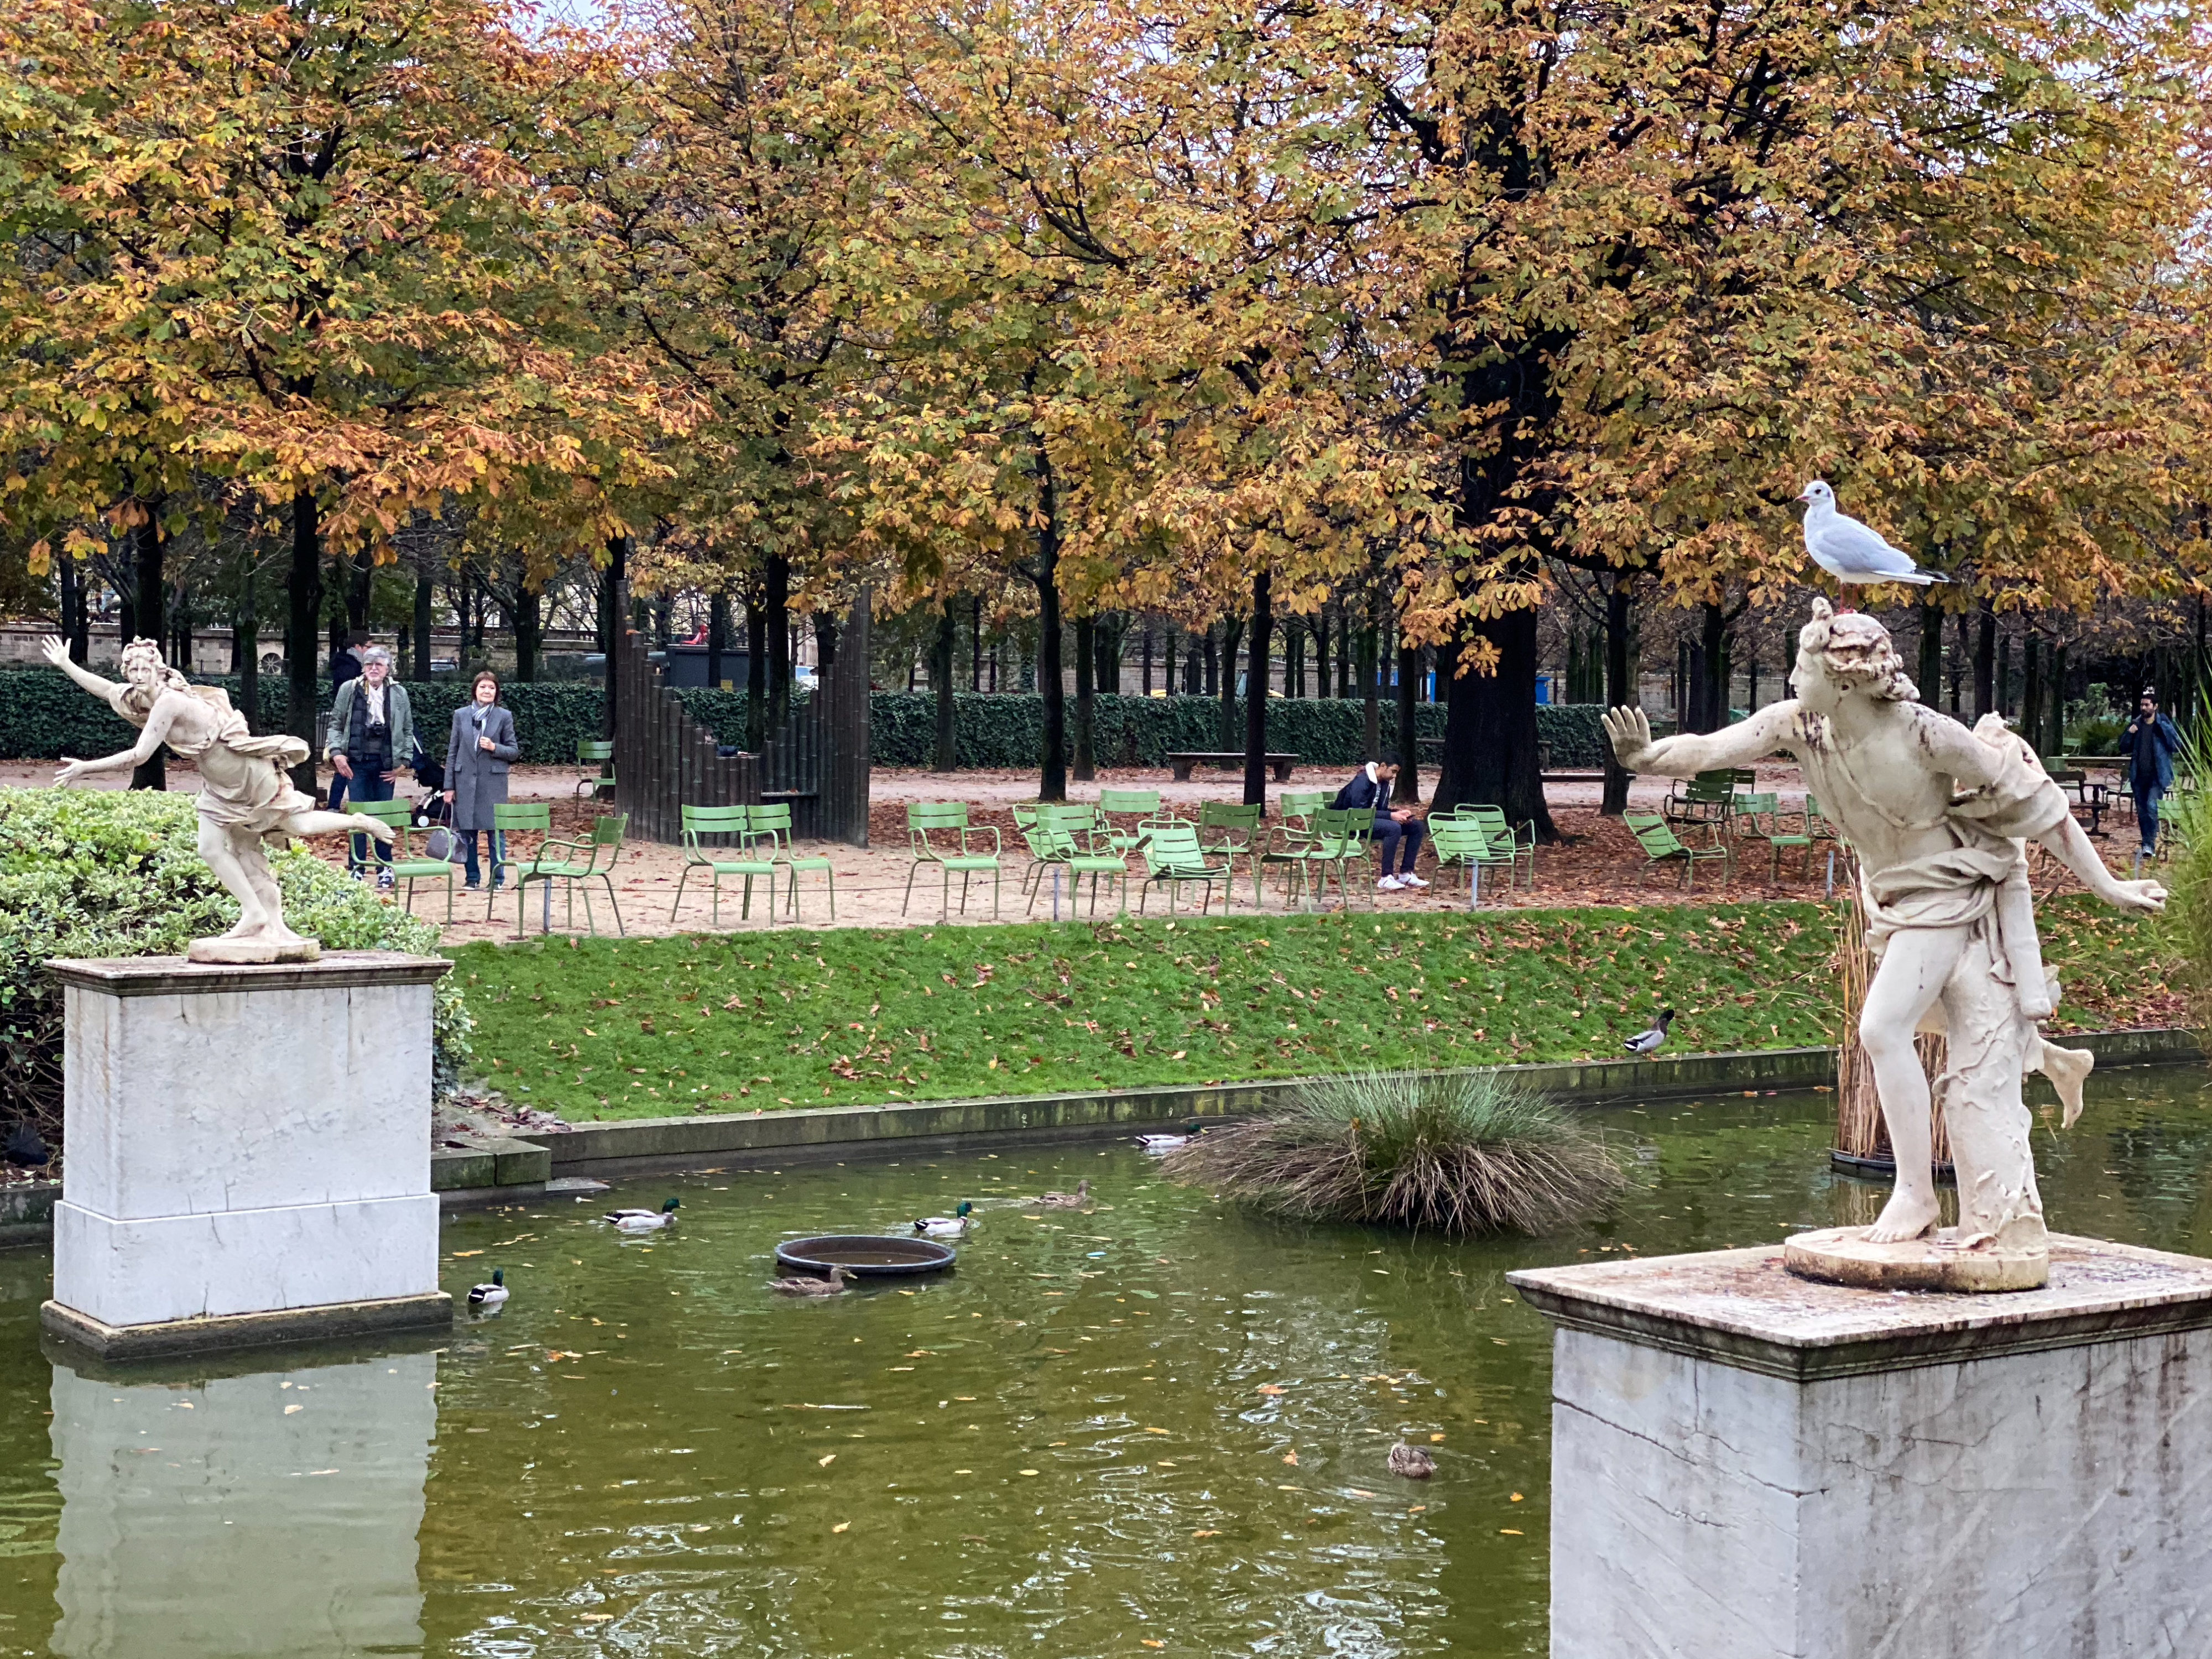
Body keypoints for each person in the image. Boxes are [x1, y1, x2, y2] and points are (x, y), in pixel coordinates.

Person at [1604, 600, 2160, 1255]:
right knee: (1938, 1037)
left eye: (1801, 667)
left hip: (1947, 892)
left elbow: (2040, 805)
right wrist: (1646, 758)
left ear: (1842, 680)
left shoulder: (1925, 733)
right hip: (1891, 901)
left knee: (1881, 1027)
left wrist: (2110, 885)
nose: (1790, 679)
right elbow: (1709, 748)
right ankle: (2027, 1090)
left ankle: (1916, 1192)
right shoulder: (1800, 724)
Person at [40, 635, 390, 959]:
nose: (137, 675)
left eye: (145, 668)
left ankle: (359, 822)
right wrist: (66, 664)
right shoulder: (142, 697)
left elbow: (140, 755)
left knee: (292, 823)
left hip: (247, 775)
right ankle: (257, 916)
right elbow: (107, 690)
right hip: (217, 785)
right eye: (132, 669)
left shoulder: (170, 701)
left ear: (158, 670)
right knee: (215, 850)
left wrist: (85, 768)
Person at [327, 645, 415, 886]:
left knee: (383, 817)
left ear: (388, 669)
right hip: (356, 764)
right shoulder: (350, 689)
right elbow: (336, 723)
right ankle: (357, 867)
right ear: (364, 667)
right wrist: (337, 754)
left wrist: (404, 762)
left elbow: (408, 730)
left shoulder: (399, 693)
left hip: (386, 765)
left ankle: (384, 868)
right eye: (369, 664)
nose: (373, 669)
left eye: (379, 665)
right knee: (358, 817)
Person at [445, 670, 520, 890]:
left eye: (491, 688)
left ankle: (497, 880)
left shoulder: (504, 716)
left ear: (496, 693)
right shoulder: (461, 715)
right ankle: (472, 878)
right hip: (464, 781)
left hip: (493, 783)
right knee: (467, 832)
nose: (487, 691)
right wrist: (448, 786)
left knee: (496, 833)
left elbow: (514, 751)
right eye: (483, 687)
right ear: (475, 690)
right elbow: (453, 751)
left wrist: (495, 747)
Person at [1332, 760, 1428, 891]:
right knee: (1393, 828)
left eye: (1396, 773)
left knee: (1416, 826)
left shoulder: (1384, 784)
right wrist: (1391, 817)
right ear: (1383, 766)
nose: (1394, 776)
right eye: (1393, 771)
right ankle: (1386, 877)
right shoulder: (1362, 781)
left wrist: (1397, 813)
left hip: (1367, 821)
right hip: (1351, 823)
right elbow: (1359, 812)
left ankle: (1406, 873)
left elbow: (1378, 809)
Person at [2120, 688, 2181, 862]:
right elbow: (2123, 747)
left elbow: (2176, 746)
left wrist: (2163, 728)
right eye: (2142, 704)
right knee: (2142, 812)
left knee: (2152, 807)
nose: (2144, 707)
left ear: (2155, 707)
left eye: (2147, 705)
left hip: (2157, 777)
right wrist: (2129, 733)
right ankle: (2147, 844)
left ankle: (2149, 845)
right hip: (2139, 777)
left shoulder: (2163, 725)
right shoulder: (2136, 725)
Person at [326, 632, 368, 811]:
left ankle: (334, 805)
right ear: (358, 647)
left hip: (352, 721)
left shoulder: (348, 665)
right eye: (368, 646)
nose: (369, 650)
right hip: (350, 723)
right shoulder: (351, 668)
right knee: (345, 763)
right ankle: (334, 805)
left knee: (346, 764)